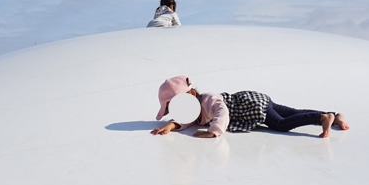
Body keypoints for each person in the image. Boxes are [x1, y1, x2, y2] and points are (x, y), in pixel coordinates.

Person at [150, 75, 350, 139]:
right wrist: (171, 126)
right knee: (294, 112)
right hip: (256, 99)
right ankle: (332, 114)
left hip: (251, 105)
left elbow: (222, 111)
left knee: (281, 124)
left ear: (191, 94)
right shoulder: (193, 110)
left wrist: (214, 131)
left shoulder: (208, 99)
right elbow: (187, 120)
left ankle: (321, 119)